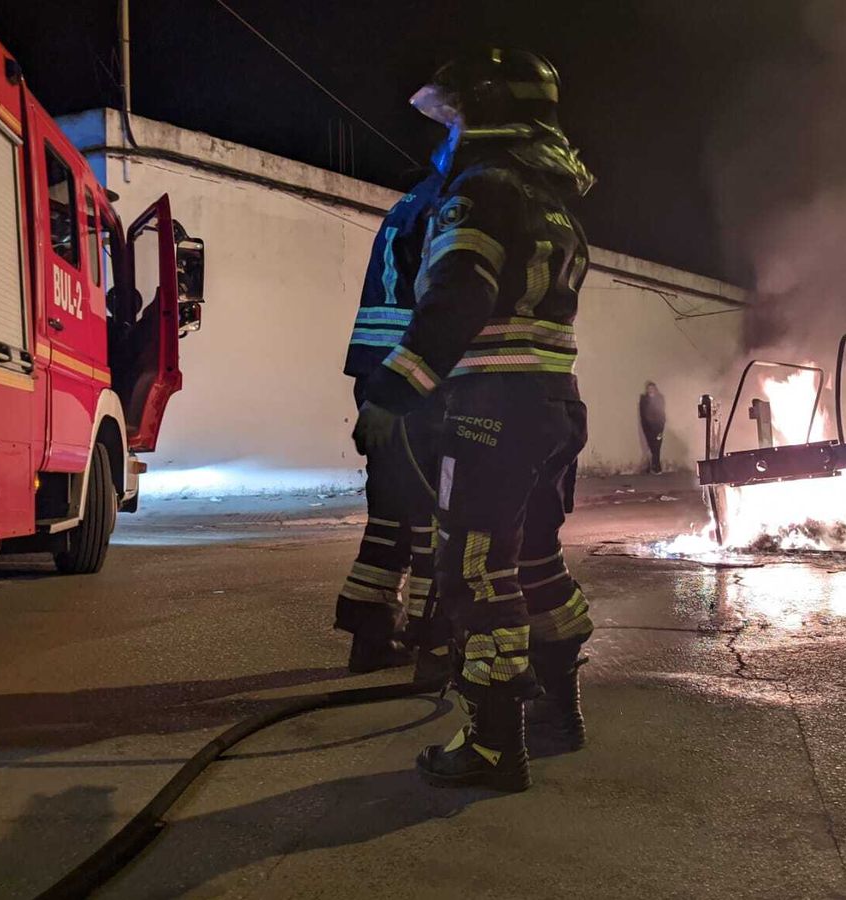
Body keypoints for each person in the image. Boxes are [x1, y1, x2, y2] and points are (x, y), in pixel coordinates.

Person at [353, 47, 596, 791]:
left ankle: (494, 748)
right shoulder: (552, 199)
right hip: (554, 404)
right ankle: (562, 711)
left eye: (456, 117)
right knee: (537, 562)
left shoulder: (482, 191)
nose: (447, 134)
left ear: (487, 113)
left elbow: (459, 298)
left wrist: (391, 395)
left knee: (477, 575)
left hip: (494, 408)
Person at [336, 170, 448, 674]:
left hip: (380, 378)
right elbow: (448, 303)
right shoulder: (451, 205)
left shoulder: (412, 201)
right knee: (434, 517)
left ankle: (371, 636)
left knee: (391, 515)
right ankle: (435, 645)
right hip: (415, 380)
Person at [639, 381, 666, 473]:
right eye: (649, 388)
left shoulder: (660, 398)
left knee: (657, 446)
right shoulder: (644, 399)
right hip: (648, 428)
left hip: (659, 428)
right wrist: (645, 426)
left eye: (652, 388)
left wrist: (661, 425)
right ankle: (655, 466)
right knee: (652, 446)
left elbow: (662, 413)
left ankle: (656, 467)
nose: (651, 390)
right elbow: (642, 414)